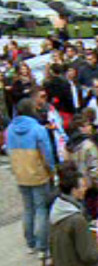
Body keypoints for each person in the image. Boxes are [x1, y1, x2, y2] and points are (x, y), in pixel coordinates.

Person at [7, 97, 55, 257]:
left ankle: (31, 243)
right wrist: (52, 170)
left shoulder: (10, 130)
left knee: (28, 208)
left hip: (21, 174)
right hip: (38, 172)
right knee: (41, 208)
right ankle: (42, 246)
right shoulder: (38, 129)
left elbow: (8, 152)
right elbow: (46, 154)